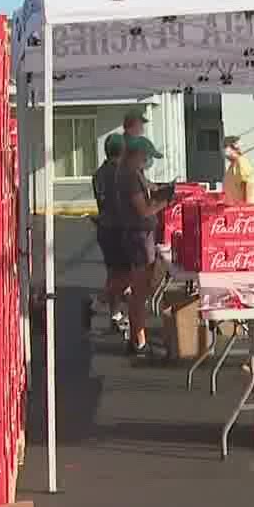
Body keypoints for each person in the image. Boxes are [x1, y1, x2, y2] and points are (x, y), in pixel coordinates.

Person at [113, 136, 167, 357]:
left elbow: (148, 189)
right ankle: (140, 342)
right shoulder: (129, 177)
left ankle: (138, 339)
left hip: (138, 235)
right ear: (136, 155)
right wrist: (165, 202)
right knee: (140, 293)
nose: (147, 161)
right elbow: (144, 210)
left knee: (140, 291)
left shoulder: (132, 174)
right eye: (146, 157)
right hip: (138, 237)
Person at [88, 134, 128, 333]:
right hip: (119, 230)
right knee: (126, 274)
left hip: (104, 228)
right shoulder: (121, 174)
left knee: (113, 273)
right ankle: (97, 304)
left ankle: (115, 314)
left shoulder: (98, 174)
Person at [222, 136, 254, 205]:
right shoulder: (232, 166)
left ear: (233, 147)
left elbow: (248, 184)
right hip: (233, 208)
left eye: (225, 147)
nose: (223, 150)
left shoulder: (241, 162)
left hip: (242, 209)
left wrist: (246, 207)